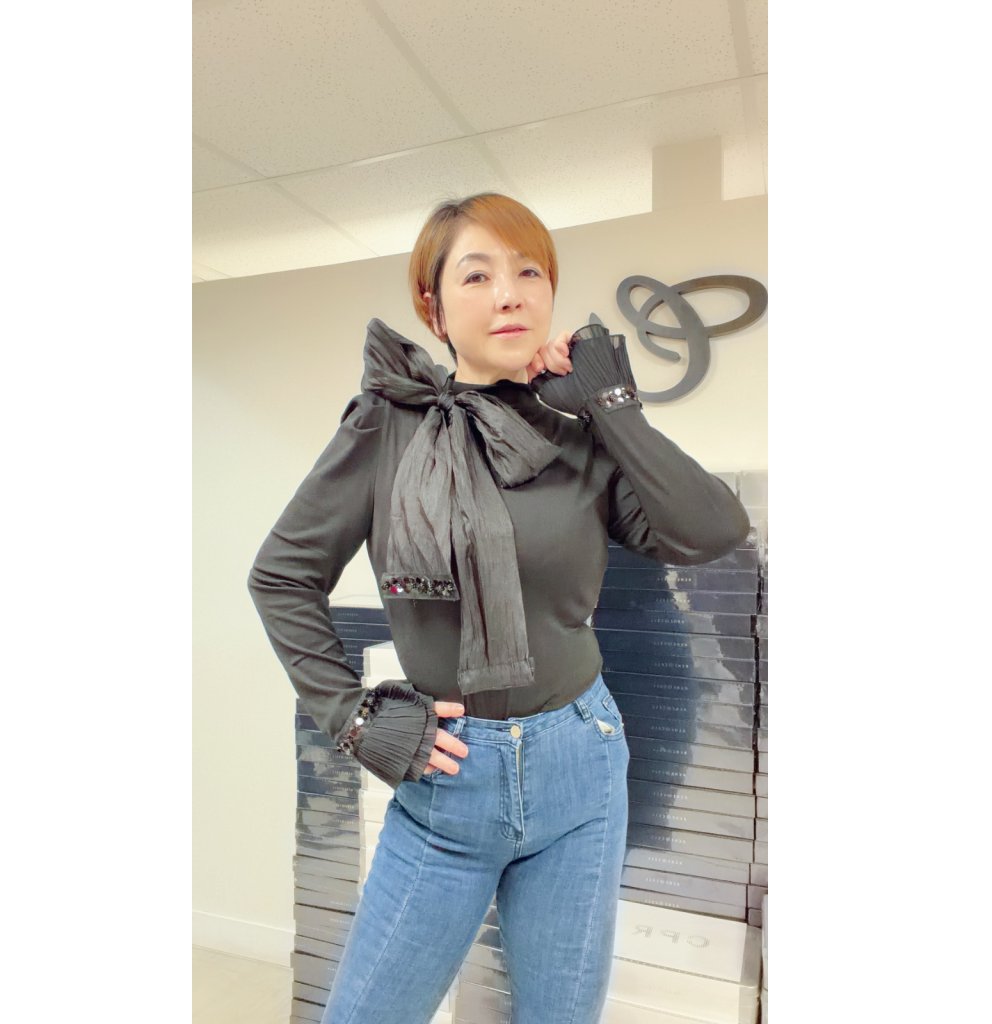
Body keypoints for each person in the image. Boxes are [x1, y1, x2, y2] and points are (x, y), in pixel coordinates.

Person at [247, 192, 750, 1024]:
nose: (509, 294)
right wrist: (352, 716)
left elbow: (711, 529)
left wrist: (612, 406)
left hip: (581, 766)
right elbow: (281, 575)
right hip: (449, 782)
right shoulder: (387, 427)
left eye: (529, 272)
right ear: (433, 306)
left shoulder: (577, 434)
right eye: (476, 276)